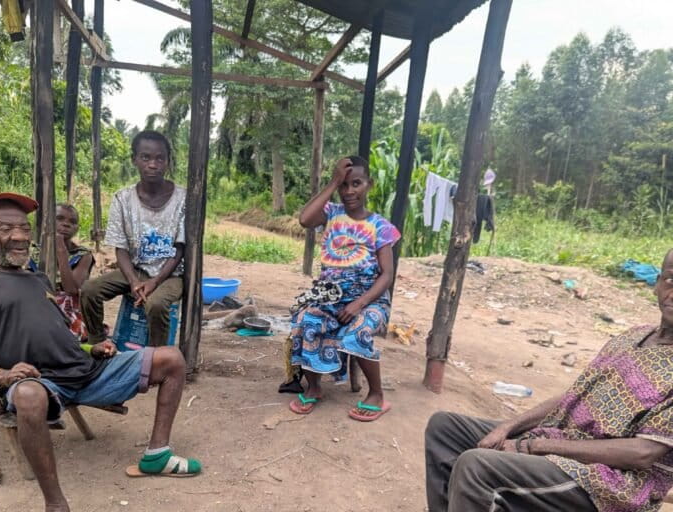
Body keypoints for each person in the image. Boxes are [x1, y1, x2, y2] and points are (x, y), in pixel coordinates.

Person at [0, 193, 201, 512]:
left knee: (171, 359)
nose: (21, 236)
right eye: (7, 228)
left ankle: (156, 454)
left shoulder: (37, 280)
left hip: (88, 371)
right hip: (43, 384)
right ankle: (55, 503)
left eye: (25, 227)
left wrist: (93, 348)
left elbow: (59, 335)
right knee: (26, 395)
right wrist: (1, 375)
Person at [424, 249, 673, 512]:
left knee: (477, 466)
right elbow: (574, 396)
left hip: (613, 481)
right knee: (445, 429)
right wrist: (508, 427)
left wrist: (532, 446)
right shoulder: (632, 337)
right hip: (565, 439)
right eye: (671, 279)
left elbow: (642, 453)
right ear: (657, 283)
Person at [288, 156, 400, 422]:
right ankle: (314, 388)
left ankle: (377, 395)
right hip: (329, 296)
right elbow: (305, 219)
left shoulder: (380, 226)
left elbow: (387, 275)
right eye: (344, 185)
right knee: (307, 320)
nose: (349, 191)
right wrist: (333, 180)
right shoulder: (332, 213)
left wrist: (359, 303)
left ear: (369, 185)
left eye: (356, 184)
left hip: (370, 300)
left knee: (357, 331)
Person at [81, 130, 184, 347]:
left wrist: (155, 282)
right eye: (146, 157)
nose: (153, 164)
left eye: (160, 158)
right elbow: (121, 248)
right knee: (89, 290)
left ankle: (158, 359)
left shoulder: (183, 198)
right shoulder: (122, 199)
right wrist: (134, 281)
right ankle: (98, 345)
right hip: (136, 269)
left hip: (171, 273)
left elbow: (179, 249)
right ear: (134, 160)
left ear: (167, 162)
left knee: (155, 304)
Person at [29, 204, 94, 340]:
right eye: (60, 219)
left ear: (77, 228)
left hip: (68, 311)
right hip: (36, 303)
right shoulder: (34, 251)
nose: (66, 225)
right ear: (49, 222)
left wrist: (61, 253)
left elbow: (71, 289)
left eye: (73, 222)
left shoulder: (83, 255)